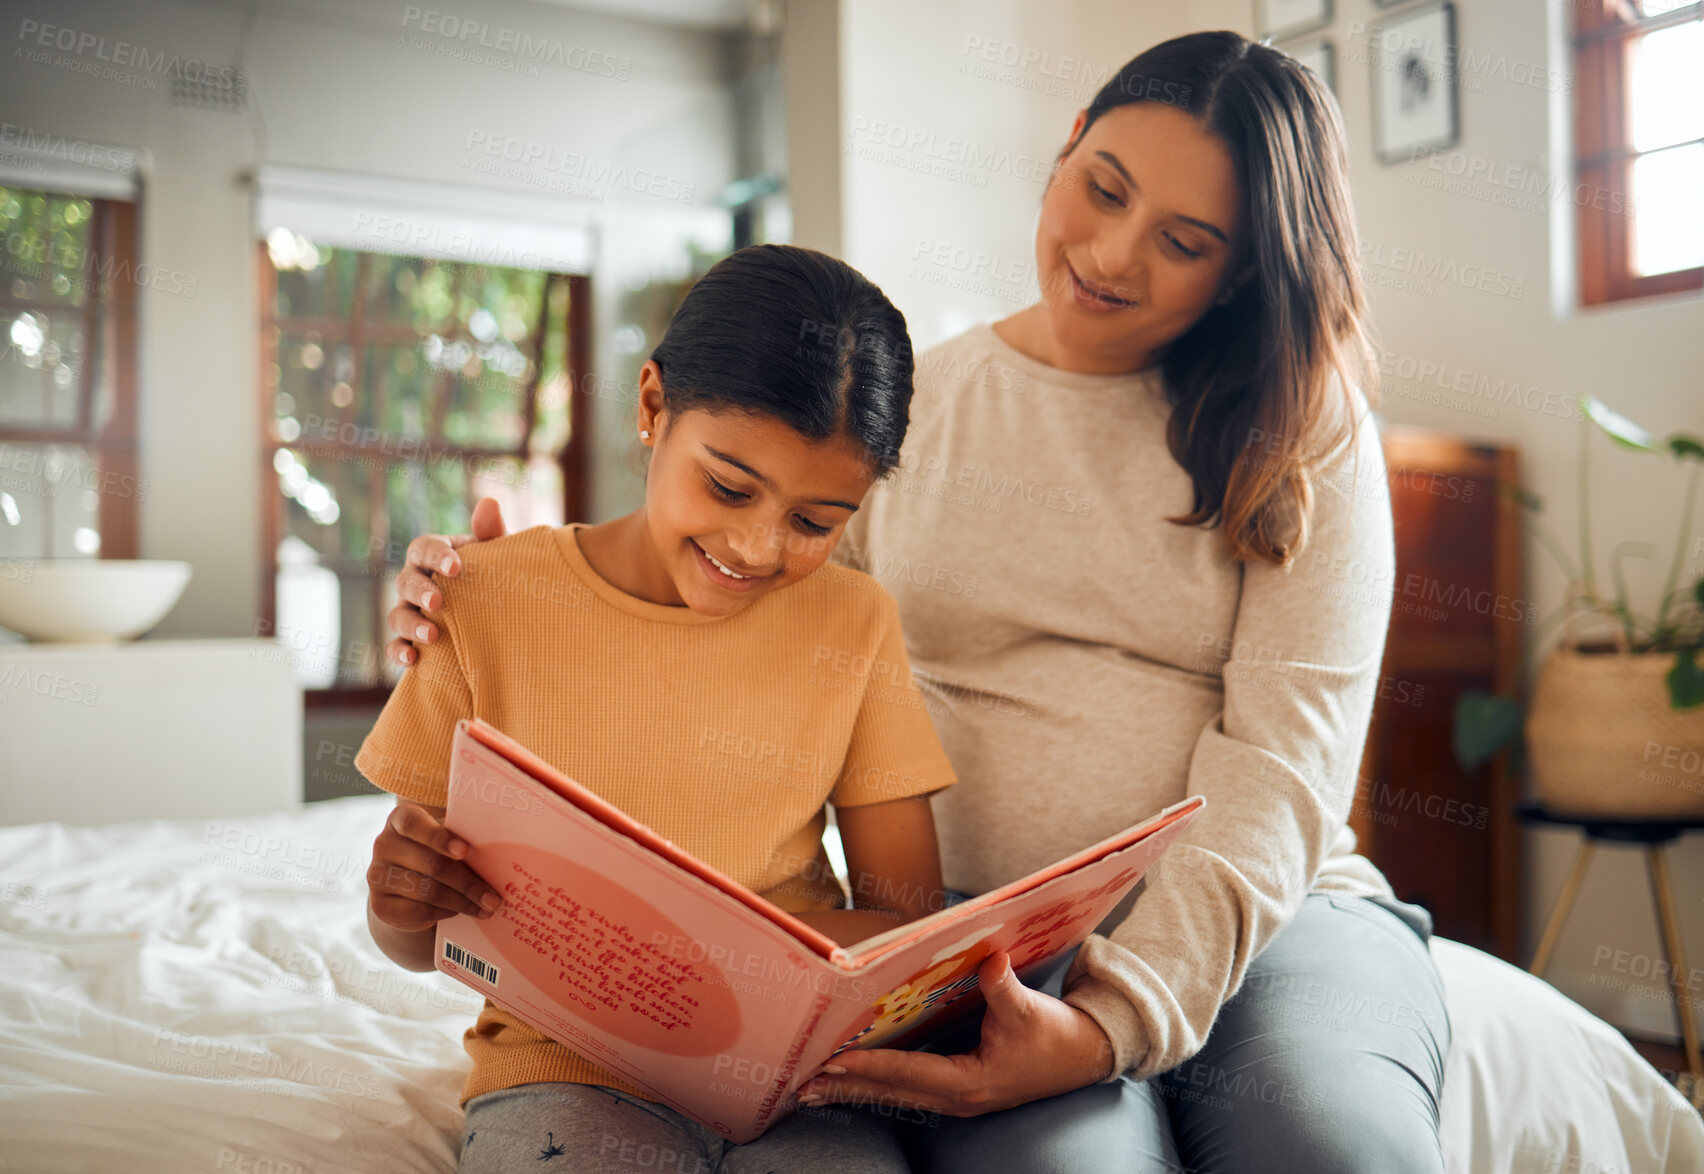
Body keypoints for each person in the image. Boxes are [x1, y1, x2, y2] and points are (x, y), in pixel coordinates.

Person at [385, 31, 1451, 1174]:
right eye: (1102, 188)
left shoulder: (1302, 430)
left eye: (1183, 242)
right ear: (1064, 151)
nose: (1112, 252)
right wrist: (503, 591)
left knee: (1332, 1149)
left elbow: (1288, 761)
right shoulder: (912, 410)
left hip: (1275, 922)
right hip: (989, 948)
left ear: (1242, 269)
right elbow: (748, 602)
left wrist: (1117, 1022)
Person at [359, 244, 960, 1173]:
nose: (758, 547)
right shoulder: (484, 601)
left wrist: (751, 975)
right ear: (651, 408)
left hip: (804, 1077)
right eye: (728, 487)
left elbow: (906, 920)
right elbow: (417, 937)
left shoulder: (856, 623)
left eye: (815, 522)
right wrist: (398, 902)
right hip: (565, 1068)